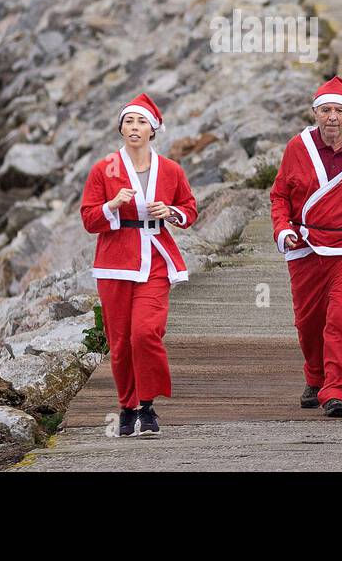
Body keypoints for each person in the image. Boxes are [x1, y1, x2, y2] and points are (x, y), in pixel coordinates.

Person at [79, 94, 198, 437]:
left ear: (153, 129)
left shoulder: (171, 170)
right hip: (114, 264)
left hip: (156, 258)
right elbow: (89, 219)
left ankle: (147, 404)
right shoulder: (104, 168)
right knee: (119, 342)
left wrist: (171, 212)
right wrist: (112, 205)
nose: (134, 127)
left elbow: (189, 209)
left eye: (141, 122)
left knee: (145, 333)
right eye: (129, 122)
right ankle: (127, 407)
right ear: (120, 128)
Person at [270, 77, 342, 417]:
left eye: (338, 110)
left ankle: (337, 391)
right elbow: (279, 195)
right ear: (314, 113)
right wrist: (281, 230)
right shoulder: (297, 148)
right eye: (325, 110)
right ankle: (316, 375)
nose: (332, 117)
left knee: (340, 315)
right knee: (308, 321)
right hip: (304, 245)